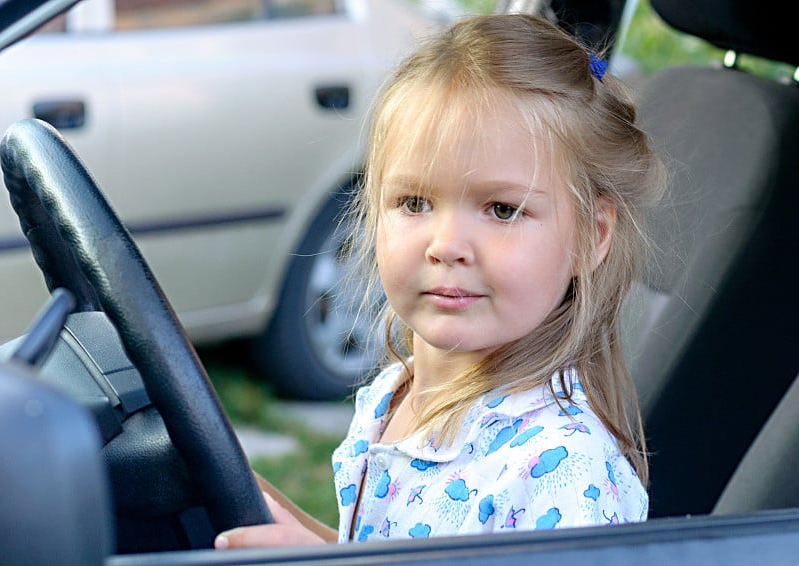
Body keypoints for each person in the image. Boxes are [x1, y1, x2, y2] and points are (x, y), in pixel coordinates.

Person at [215, 11, 665, 549]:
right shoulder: (393, 393)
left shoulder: (564, 470)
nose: (446, 245)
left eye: (501, 210)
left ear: (591, 236)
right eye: (415, 202)